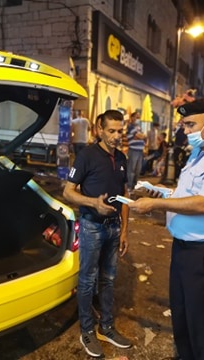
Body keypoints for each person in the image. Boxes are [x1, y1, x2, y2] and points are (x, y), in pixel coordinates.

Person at [128, 99, 204, 360]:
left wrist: (155, 204)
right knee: (182, 315)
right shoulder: (199, 152)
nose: (185, 130)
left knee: (202, 324)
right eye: (184, 124)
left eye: (190, 124)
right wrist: (159, 190)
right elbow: (187, 193)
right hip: (183, 247)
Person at [63, 110, 131, 358]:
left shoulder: (122, 158)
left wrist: (124, 231)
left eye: (119, 131)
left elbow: (124, 198)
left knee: (109, 279)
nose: (115, 136)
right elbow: (68, 192)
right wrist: (93, 203)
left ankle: (107, 327)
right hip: (92, 226)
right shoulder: (86, 155)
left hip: (114, 228)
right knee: (88, 280)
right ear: (99, 130)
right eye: (111, 131)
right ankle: (87, 330)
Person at [126, 111, 146, 192]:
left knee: (138, 170)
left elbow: (143, 136)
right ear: (132, 118)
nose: (138, 119)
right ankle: (129, 187)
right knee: (131, 169)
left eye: (139, 117)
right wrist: (140, 136)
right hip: (133, 150)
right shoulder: (130, 126)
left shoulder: (139, 127)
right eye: (136, 117)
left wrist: (140, 137)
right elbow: (140, 136)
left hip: (140, 150)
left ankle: (134, 186)